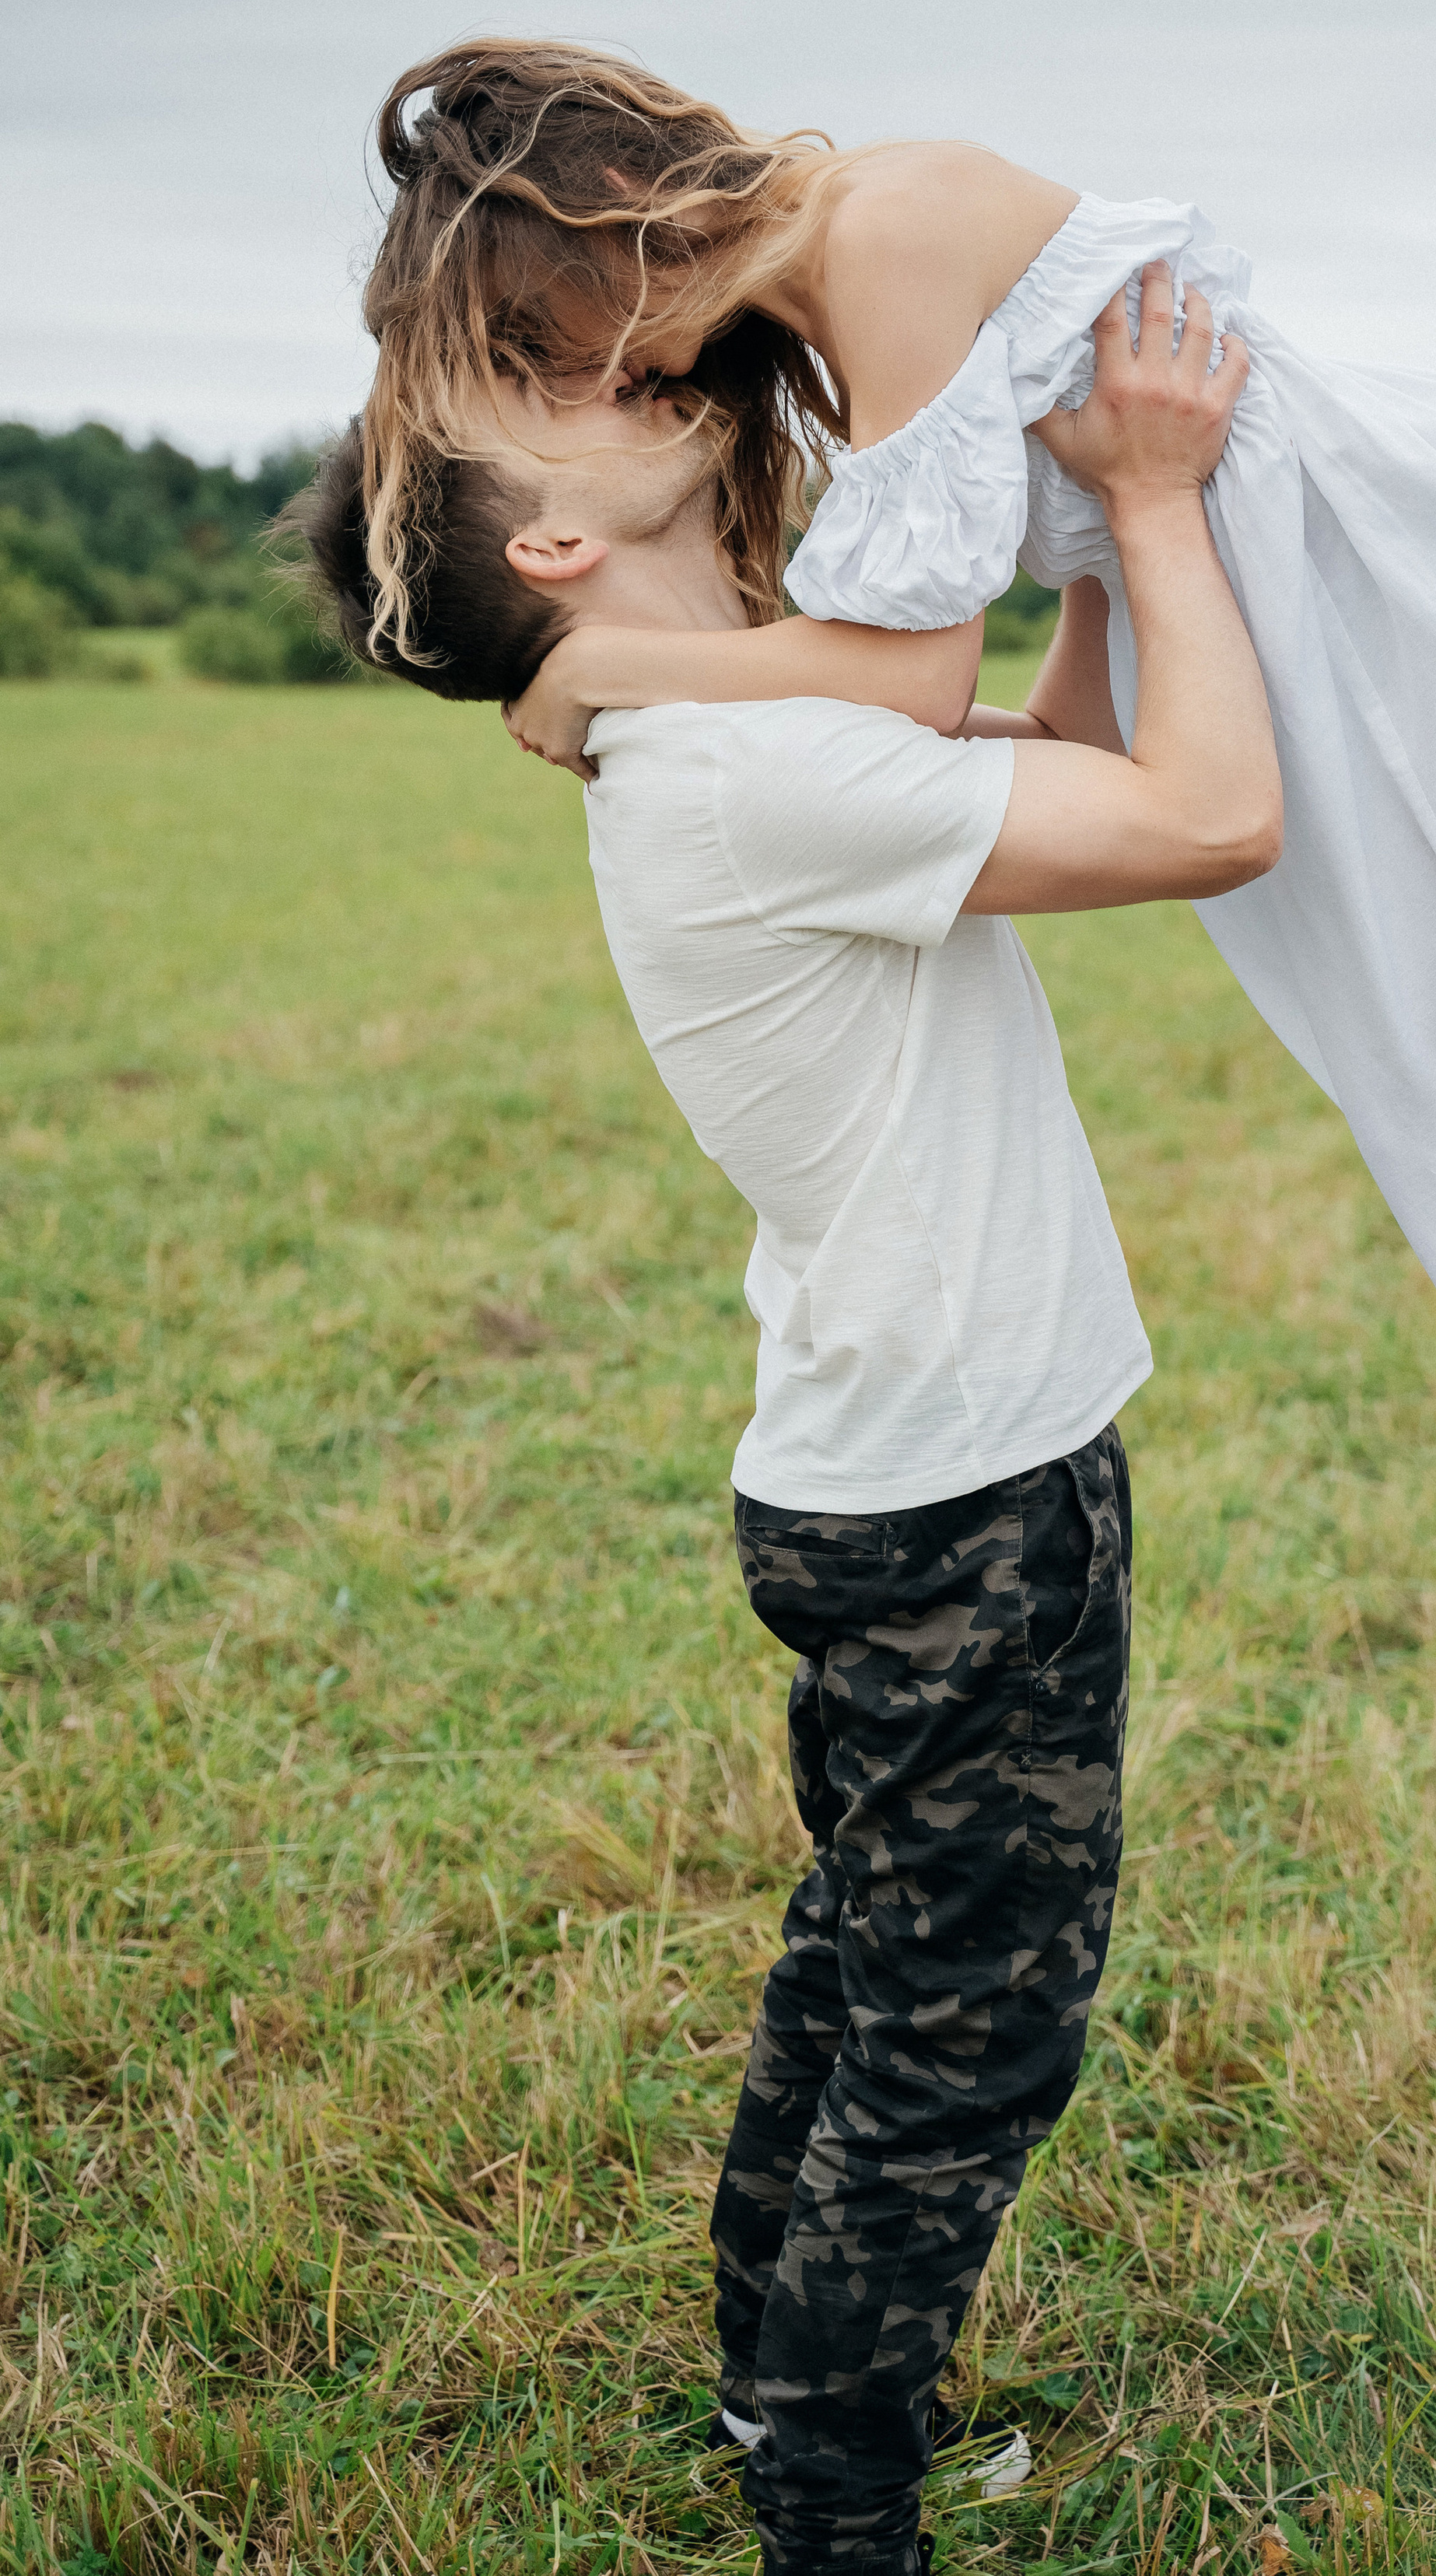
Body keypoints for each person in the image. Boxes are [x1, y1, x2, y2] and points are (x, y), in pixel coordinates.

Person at [337, 37, 1436, 1778]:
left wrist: (609, 666)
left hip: (1397, 583)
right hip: (1303, 635)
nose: (587, 379)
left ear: (603, 218)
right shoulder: (828, 298)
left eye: (539, 342)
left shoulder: (876, 233)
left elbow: (908, 686)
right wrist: (1115, 532)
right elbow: (1023, 704)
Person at [296, 269, 1275, 2576]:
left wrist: (1086, 546)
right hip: (964, 1497)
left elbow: (1052, 751)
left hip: (894, 1470)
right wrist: (1156, 502)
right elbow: (1216, 816)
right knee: (966, 2029)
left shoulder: (718, 738)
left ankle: (777, 2386)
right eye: (553, 390)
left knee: (870, 1957)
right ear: (552, 543)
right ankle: (834, 2506)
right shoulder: (752, 766)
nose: (622, 369)